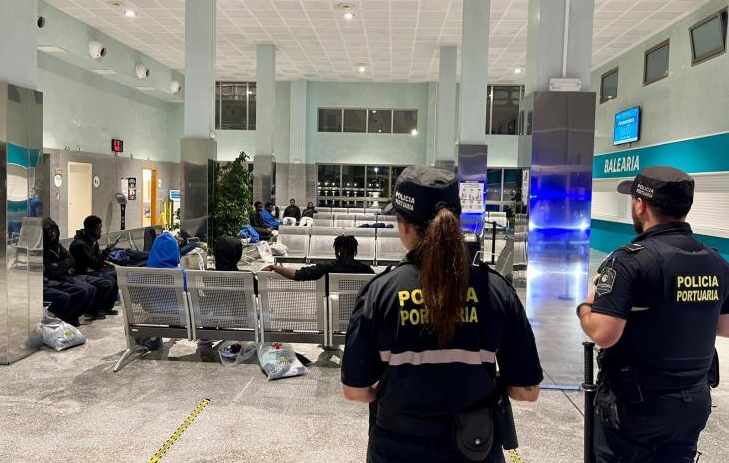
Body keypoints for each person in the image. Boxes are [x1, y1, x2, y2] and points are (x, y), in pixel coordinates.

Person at [340, 166, 542, 462]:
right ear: (456, 221)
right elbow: (527, 391)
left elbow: (354, 391)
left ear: (404, 226)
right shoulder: (497, 291)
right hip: (474, 447)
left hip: (397, 450)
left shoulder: (379, 293)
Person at [577, 166, 729, 463]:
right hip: (692, 402)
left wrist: (585, 308)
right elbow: (725, 326)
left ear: (641, 205)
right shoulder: (714, 261)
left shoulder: (630, 261)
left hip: (636, 405)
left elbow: (604, 334)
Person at [43, 217, 115, 320]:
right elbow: (51, 269)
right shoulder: (79, 244)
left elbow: (71, 259)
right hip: (75, 274)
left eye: (55, 231)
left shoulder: (58, 246)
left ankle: (95, 310)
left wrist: (60, 265)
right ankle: (74, 316)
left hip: (72, 274)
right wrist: (107, 249)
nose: (53, 234)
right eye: (50, 232)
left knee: (112, 277)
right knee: (93, 287)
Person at [262, 235, 374, 281]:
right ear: (354, 251)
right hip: (359, 316)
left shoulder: (327, 267)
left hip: (332, 313)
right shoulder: (367, 270)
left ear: (337, 252)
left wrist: (273, 267)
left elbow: (297, 274)